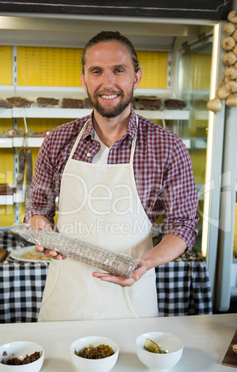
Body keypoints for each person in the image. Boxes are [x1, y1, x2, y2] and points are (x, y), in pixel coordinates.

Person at [24, 31, 199, 321]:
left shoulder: (167, 146)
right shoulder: (57, 140)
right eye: (97, 72)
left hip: (130, 300)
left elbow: (183, 226)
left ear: (136, 77)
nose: (108, 83)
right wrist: (40, 226)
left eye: (119, 71)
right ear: (84, 79)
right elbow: (38, 207)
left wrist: (144, 263)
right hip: (64, 298)